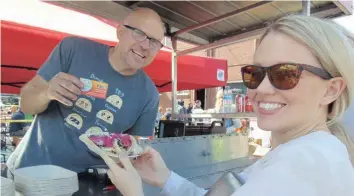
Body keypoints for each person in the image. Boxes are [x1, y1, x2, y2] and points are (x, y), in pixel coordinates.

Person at [102, 15, 354, 196]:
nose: (261, 89)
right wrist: (164, 177)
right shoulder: (304, 153)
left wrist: (133, 192)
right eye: (255, 74)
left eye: (286, 73)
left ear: (331, 90)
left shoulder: (305, 164)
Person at [6, 7, 165, 195]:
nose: (146, 46)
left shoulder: (149, 95)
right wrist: (47, 92)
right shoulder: (74, 49)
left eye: (154, 42)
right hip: (31, 173)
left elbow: (132, 149)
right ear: (120, 31)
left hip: (89, 186)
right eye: (140, 34)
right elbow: (26, 103)